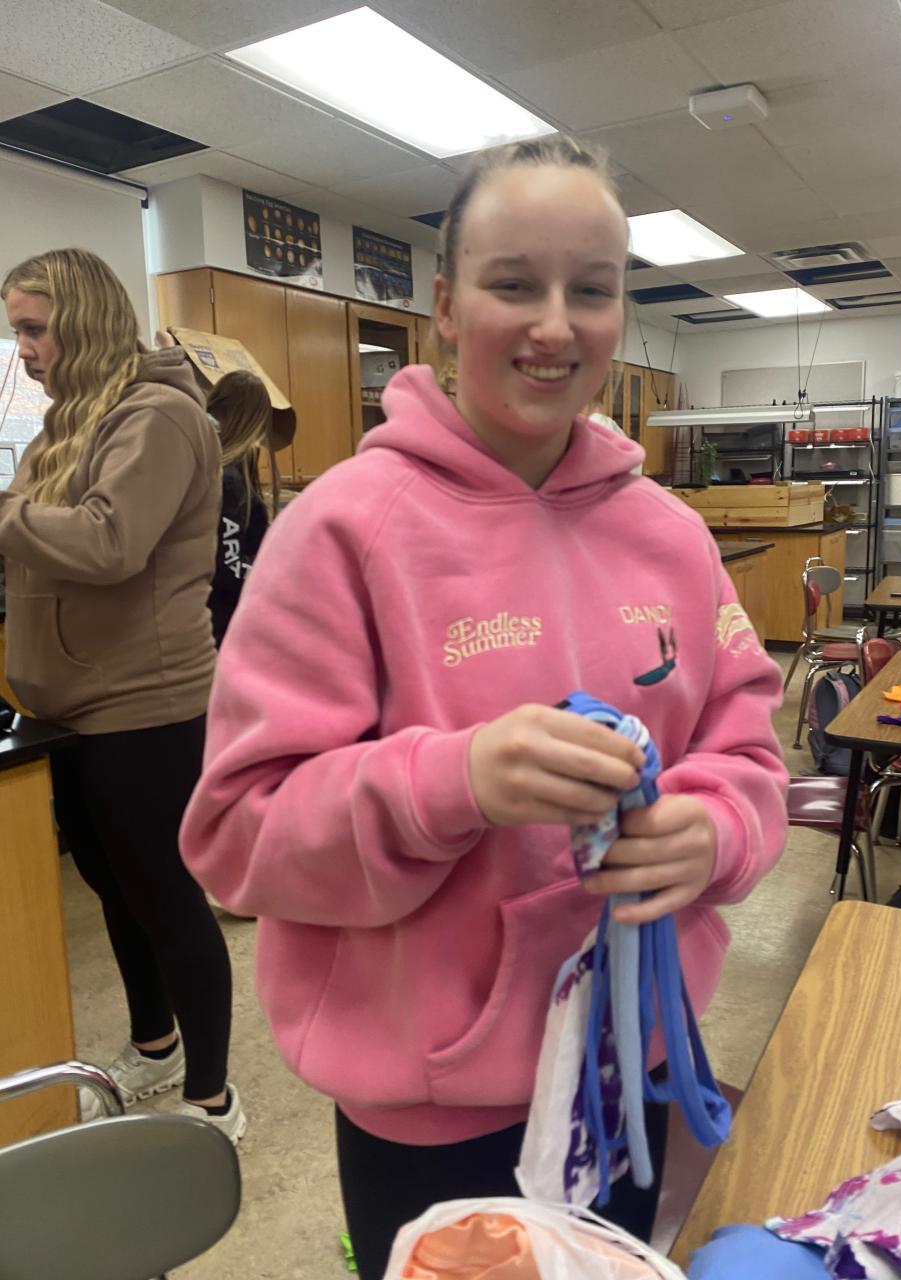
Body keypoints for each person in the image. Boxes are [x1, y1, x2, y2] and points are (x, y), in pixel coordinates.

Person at [180, 138, 787, 1271]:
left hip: (634, 1063)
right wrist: (450, 781)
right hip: (435, 1112)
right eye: (514, 283)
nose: (555, 325)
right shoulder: (345, 529)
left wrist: (714, 829)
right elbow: (237, 832)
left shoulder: (671, 535)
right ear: (448, 308)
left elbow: (749, 749)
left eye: (591, 290)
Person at [1, 248, 245, 1142]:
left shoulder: (160, 415)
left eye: (35, 329)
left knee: (165, 898)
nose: (24, 349)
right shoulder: (64, 427)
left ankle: (213, 1100)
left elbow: (109, 542)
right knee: (111, 884)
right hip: (67, 702)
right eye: (16, 331)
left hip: (144, 703)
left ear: (87, 322)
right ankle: (155, 1045)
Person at [204, 369, 276, 647]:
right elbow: (229, 567)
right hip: (224, 626)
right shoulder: (229, 483)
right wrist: (273, 571)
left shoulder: (208, 469)